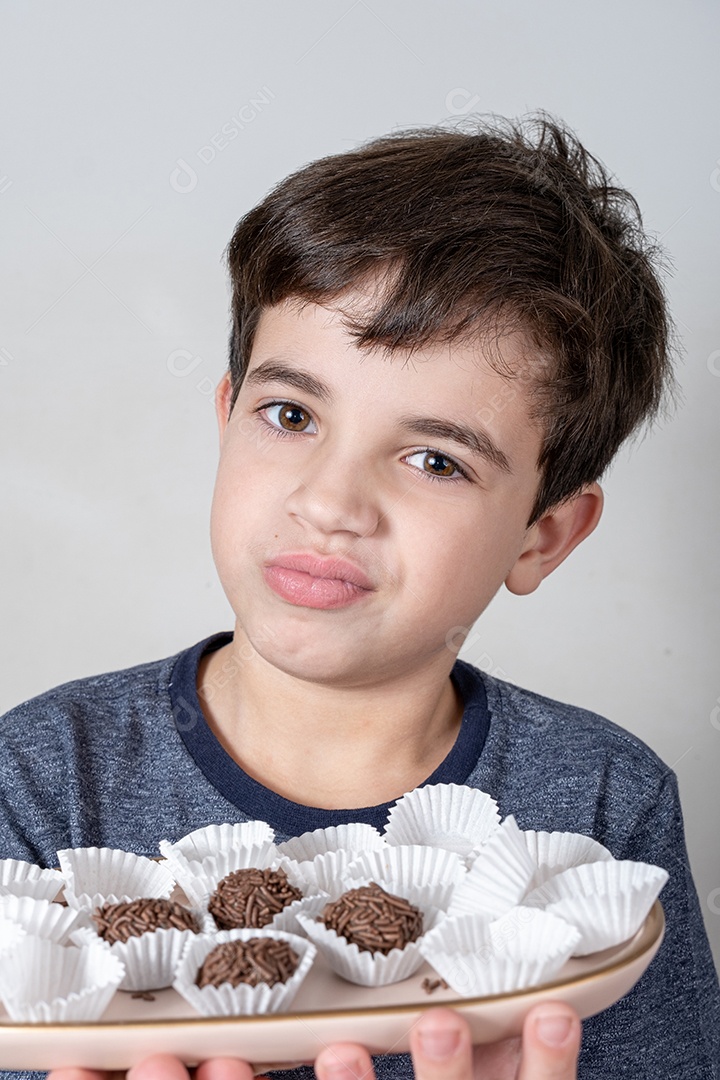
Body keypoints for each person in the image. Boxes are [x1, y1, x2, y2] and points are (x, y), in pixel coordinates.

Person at [1, 114, 718, 1080]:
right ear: (226, 418)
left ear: (543, 534)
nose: (331, 502)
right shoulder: (43, 779)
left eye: (435, 460)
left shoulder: (602, 807)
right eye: (290, 415)